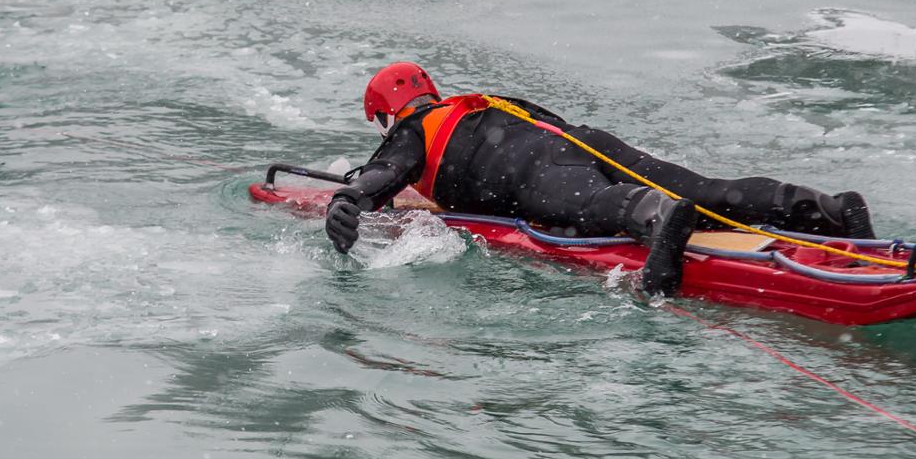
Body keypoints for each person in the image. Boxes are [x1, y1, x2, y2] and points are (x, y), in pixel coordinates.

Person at [325, 62, 875, 295]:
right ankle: (825, 208)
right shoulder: (487, 103)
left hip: (530, 171)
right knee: (705, 190)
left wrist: (349, 201)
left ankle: (656, 218)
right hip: (585, 142)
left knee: (590, 206)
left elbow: (383, 176)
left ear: (388, 114)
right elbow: (552, 129)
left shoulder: (413, 128)